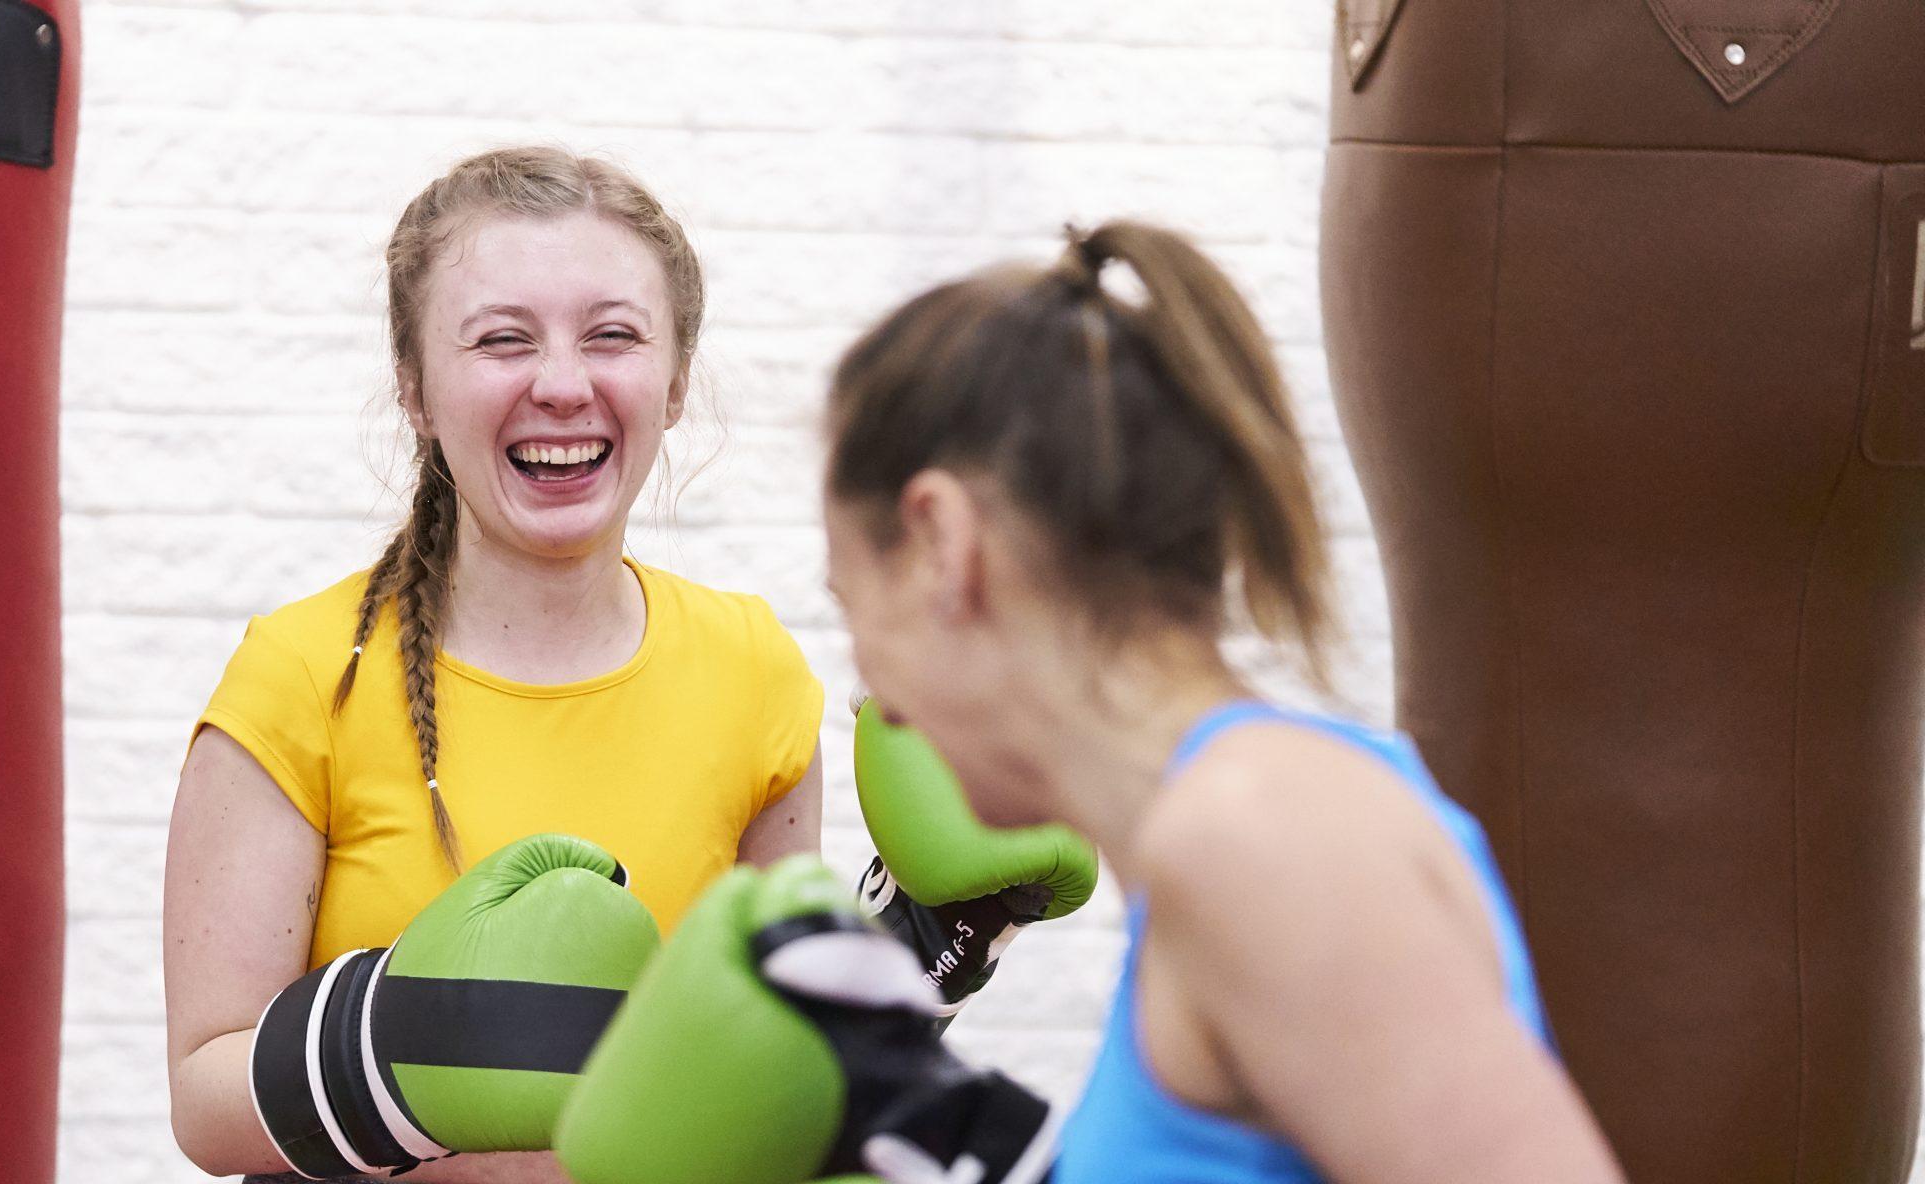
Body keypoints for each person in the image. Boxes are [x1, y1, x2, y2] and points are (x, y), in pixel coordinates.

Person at [557, 222, 1625, 1184]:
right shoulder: (1223, 834)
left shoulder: (1262, 833)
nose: (866, 687)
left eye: (855, 606)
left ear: (942, 545)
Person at [162, 146, 825, 1183]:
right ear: (415, 389)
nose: (562, 385)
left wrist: (945, 937)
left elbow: (793, 1042)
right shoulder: (302, 674)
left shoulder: (753, 667)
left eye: (612, 335)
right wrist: (405, 1046)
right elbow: (206, 1095)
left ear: (677, 379)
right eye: (502, 340)